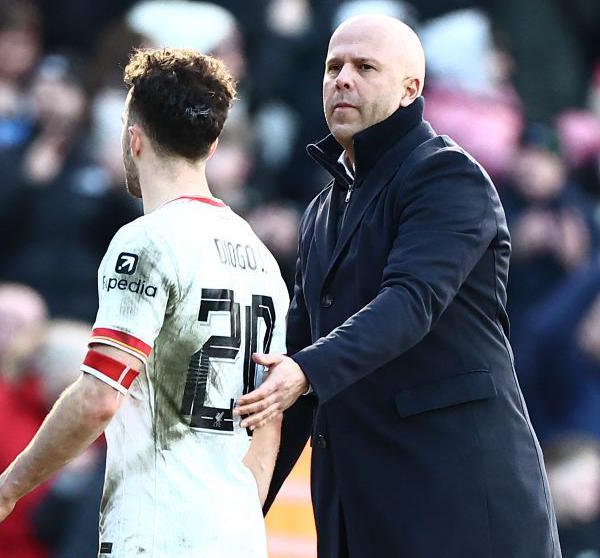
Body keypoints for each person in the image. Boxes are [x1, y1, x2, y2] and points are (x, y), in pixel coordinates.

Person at [233, 15, 560, 557]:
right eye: (333, 67)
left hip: (461, 509)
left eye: (365, 67)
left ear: (411, 89)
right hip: (363, 514)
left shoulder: (447, 176)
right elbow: (293, 374)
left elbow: (410, 302)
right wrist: (236, 514)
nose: (342, 79)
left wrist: (306, 370)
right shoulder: (321, 210)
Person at [0, 47, 290, 557]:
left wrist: (3, 493)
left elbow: (99, 397)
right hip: (236, 535)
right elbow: (269, 416)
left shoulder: (147, 240)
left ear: (134, 138)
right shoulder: (260, 258)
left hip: (157, 530)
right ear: (212, 146)